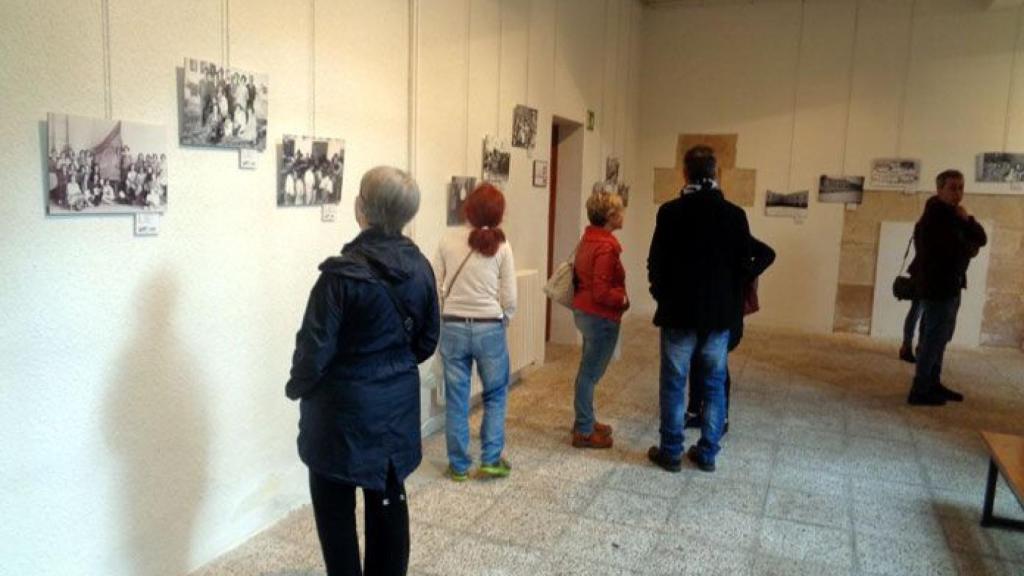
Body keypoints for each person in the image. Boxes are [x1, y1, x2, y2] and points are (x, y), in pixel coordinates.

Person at [285, 166, 440, 576]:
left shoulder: (340, 277)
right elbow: (426, 341)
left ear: (360, 208)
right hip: (393, 412)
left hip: (339, 416)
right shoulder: (421, 268)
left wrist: (297, 386)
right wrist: (390, 369)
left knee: (335, 512)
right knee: (389, 504)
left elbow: (313, 353)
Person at [647, 145, 751, 473]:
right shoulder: (734, 215)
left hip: (678, 312)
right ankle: (707, 453)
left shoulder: (670, 212)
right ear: (715, 173)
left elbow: (656, 263)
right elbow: (744, 264)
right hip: (718, 315)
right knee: (714, 384)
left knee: (674, 383)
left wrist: (661, 294)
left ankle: (671, 452)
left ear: (685, 173)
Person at [434, 183, 517, 481]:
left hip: (453, 325)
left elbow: (437, 285)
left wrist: (445, 315)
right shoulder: (502, 246)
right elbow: (509, 295)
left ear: (467, 208)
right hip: (489, 327)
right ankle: (491, 459)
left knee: (457, 398)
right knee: (495, 394)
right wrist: (504, 317)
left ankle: (458, 466)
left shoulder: (446, 240)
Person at [906, 169, 986, 406]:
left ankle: (933, 382)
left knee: (941, 338)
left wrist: (967, 220)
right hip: (936, 287)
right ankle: (920, 390)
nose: (958, 193)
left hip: (951, 285)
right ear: (940, 189)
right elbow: (951, 250)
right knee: (932, 339)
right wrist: (968, 246)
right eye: (952, 188)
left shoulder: (955, 215)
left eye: (961, 187)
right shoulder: (934, 217)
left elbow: (980, 239)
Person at [685, 235, 774, 435]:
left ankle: (720, 418)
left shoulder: (734, 231)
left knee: (717, 364)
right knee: (698, 359)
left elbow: (768, 254)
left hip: (727, 315)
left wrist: (744, 275)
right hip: (706, 311)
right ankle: (694, 411)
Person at [569, 190, 629, 449]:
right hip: (599, 315)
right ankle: (583, 429)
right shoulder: (605, 247)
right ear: (610, 216)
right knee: (590, 374)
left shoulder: (589, 240)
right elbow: (602, 291)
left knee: (587, 369)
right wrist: (623, 300)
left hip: (586, 312)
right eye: (620, 210)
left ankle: (585, 419)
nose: (624, 214)